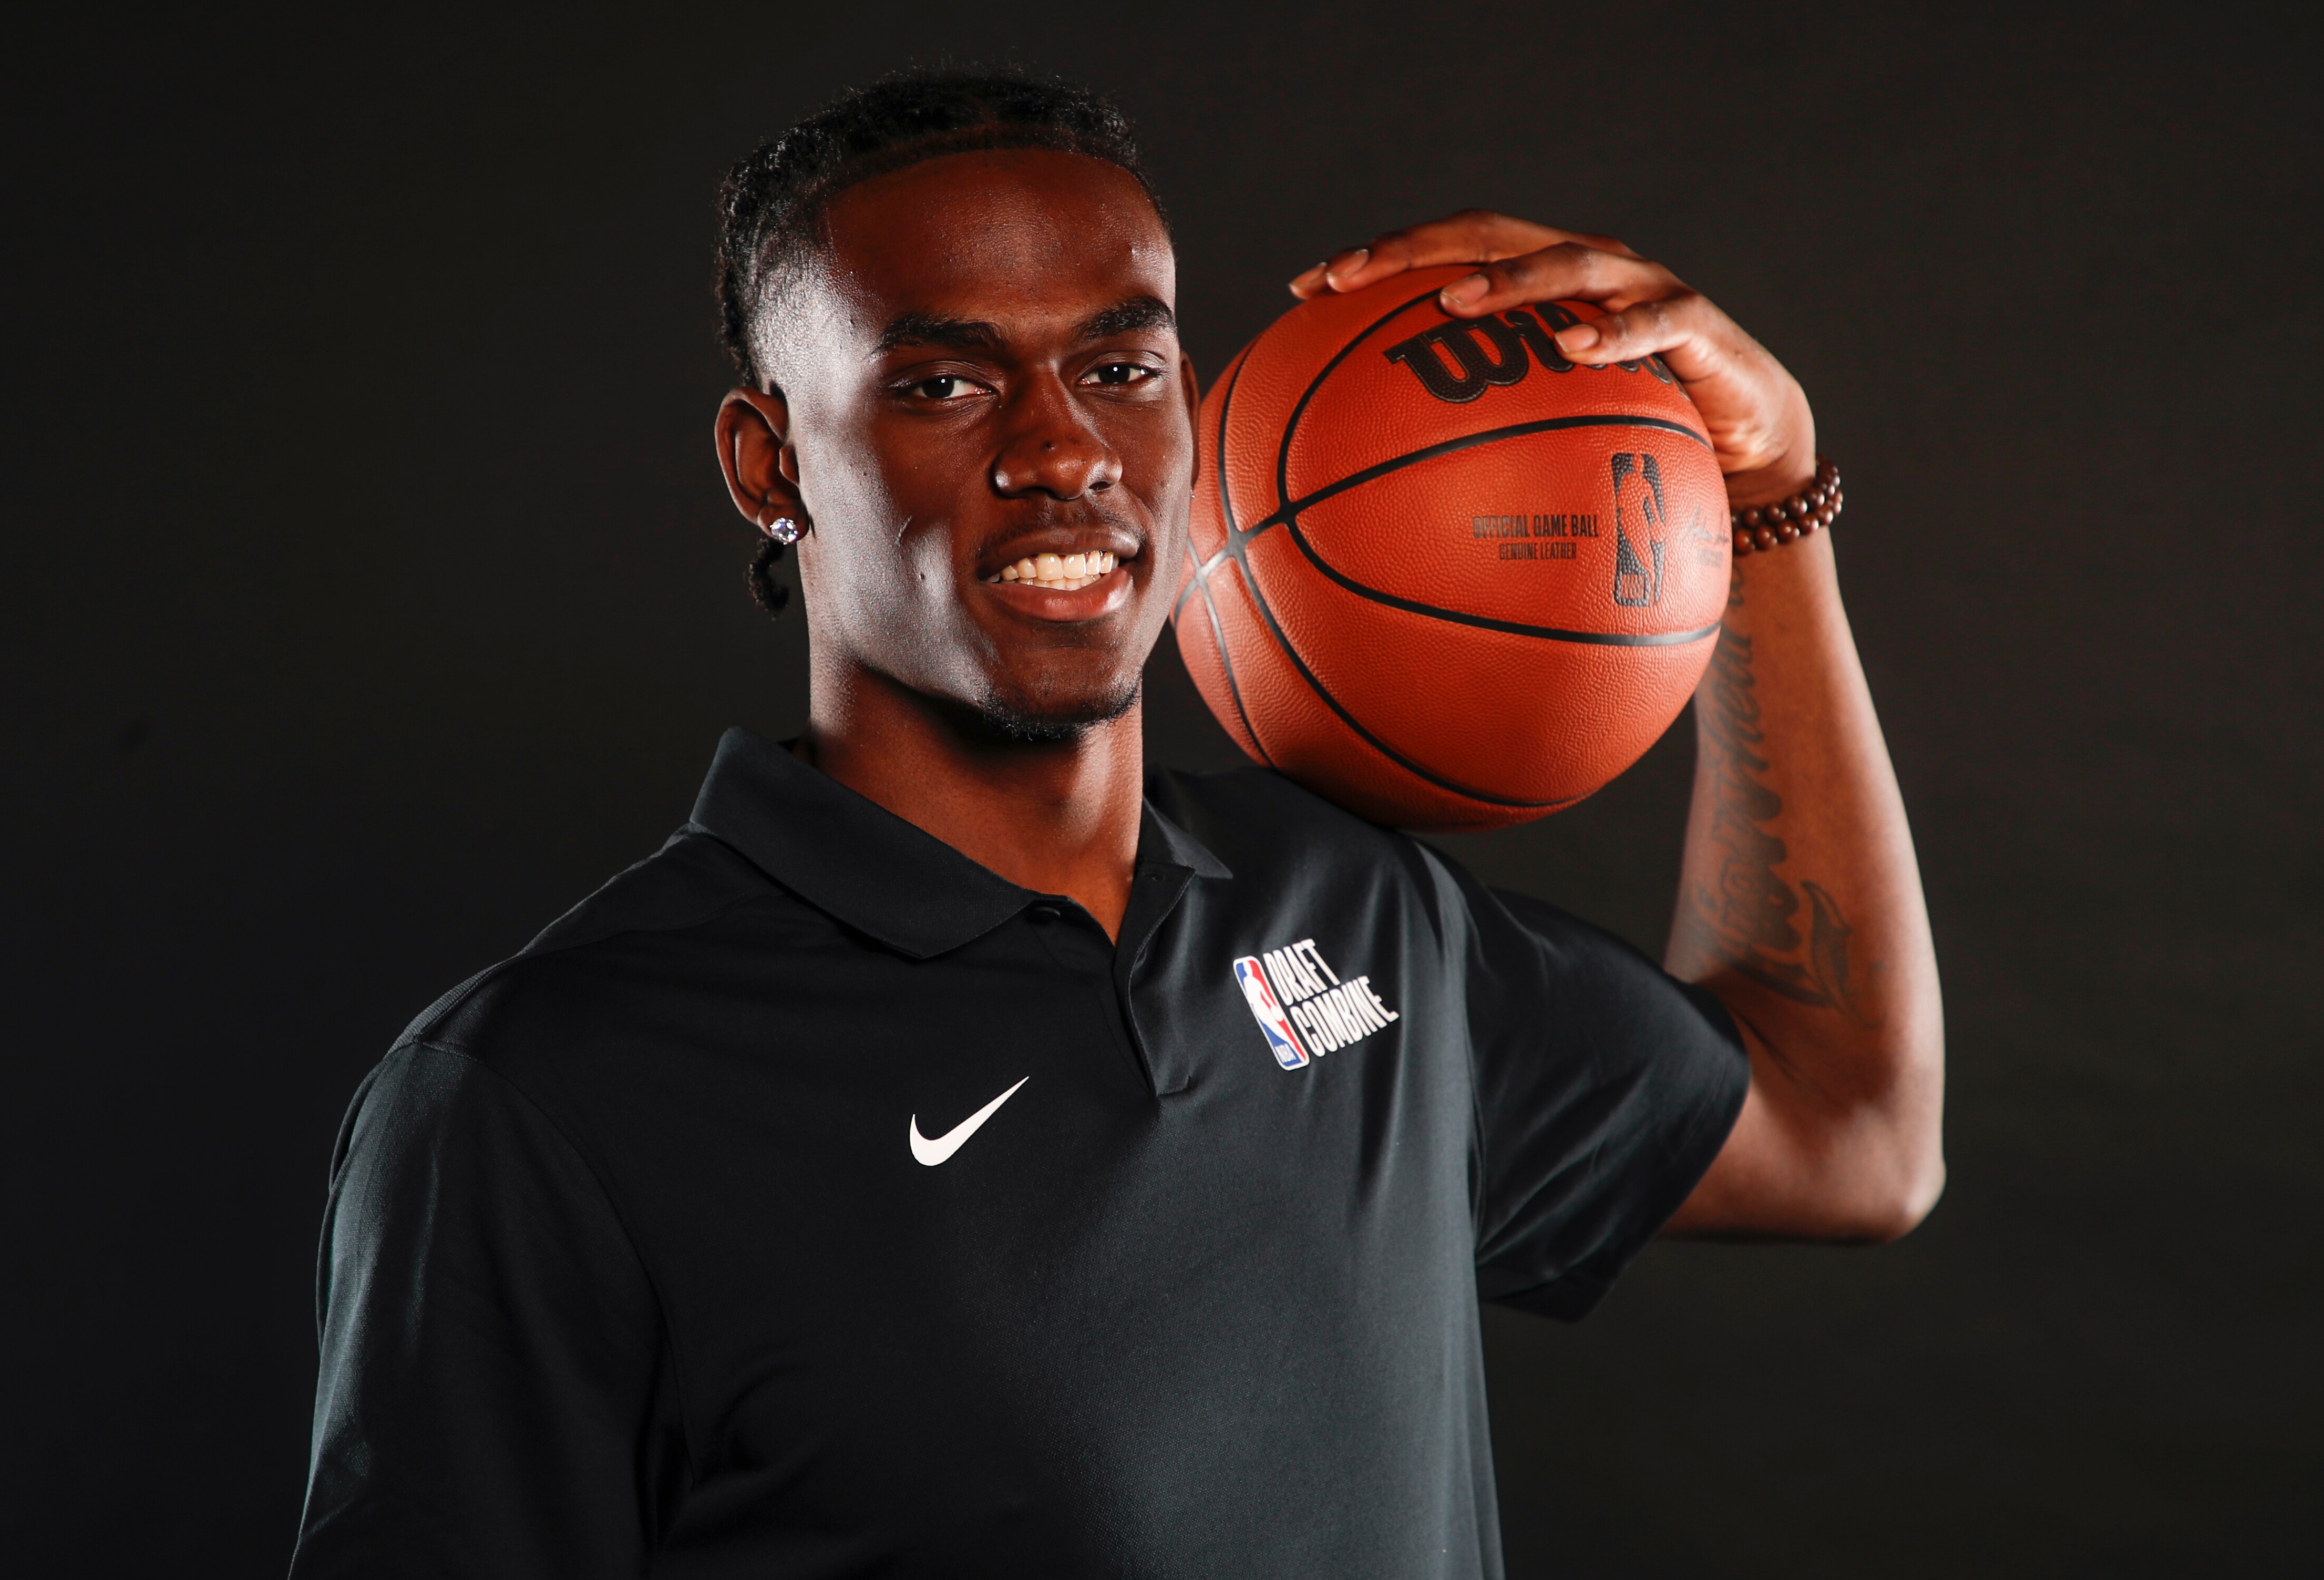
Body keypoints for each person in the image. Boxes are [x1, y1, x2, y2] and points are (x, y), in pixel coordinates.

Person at [287, 70, 1941, 1578]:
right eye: (941, 382)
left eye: (1119, 369)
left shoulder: (1356, 916)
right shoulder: (543, 1097)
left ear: (1194, 415)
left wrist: (1764, 502)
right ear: (768, 463)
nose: (1061, 448)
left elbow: (1852, 1133)